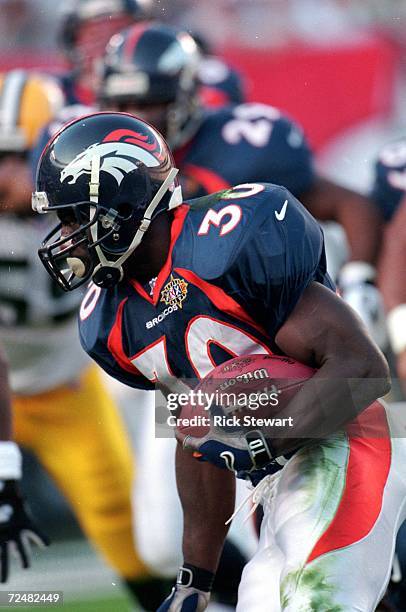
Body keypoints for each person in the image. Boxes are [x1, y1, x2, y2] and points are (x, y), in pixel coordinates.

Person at [32, 111, 404, 611]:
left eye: (77, 216)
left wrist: (270, 436)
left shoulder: (230, 237)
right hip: (271, 482)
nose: (67, 234)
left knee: (314, 601)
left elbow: (363, 368)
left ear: (122, 203)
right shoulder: (110, 321)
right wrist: (195, 579)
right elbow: (197, 432)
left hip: (347, 441)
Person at [98, 21, 387, 347]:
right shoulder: (100, 167)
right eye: (123, 104)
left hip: (268, 314)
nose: (137, 118)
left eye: (149, 103)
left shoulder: (241, 144)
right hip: (162, 324)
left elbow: (348, 204)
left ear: (188, 95)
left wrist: (359, 280)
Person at [0, 71, 166, 609]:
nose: (1, 176)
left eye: (10, 158)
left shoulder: (92, 205)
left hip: (65, 389)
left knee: (129, 531)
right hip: (7, 380)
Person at [57, 0, 153, 105]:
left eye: (118, 32)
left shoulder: (158, 90)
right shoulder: (53, 96)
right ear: (76, 41)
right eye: (96, 36)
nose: (106, 44)